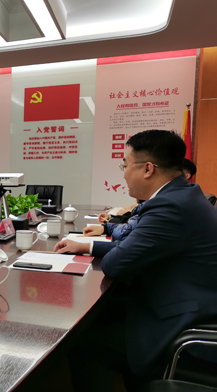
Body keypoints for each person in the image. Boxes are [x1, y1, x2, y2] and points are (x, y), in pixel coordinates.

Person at [54, 130, 217, 388]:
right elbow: (134, 246)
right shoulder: (183, 195)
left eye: (125, 165)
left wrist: (104, 248)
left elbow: (115, 264)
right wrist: (89, 246)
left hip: (182, 324)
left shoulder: (169, 207)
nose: (123, 174)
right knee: (99, 314)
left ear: (148, 169)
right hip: (186, 302)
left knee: (83, 343)